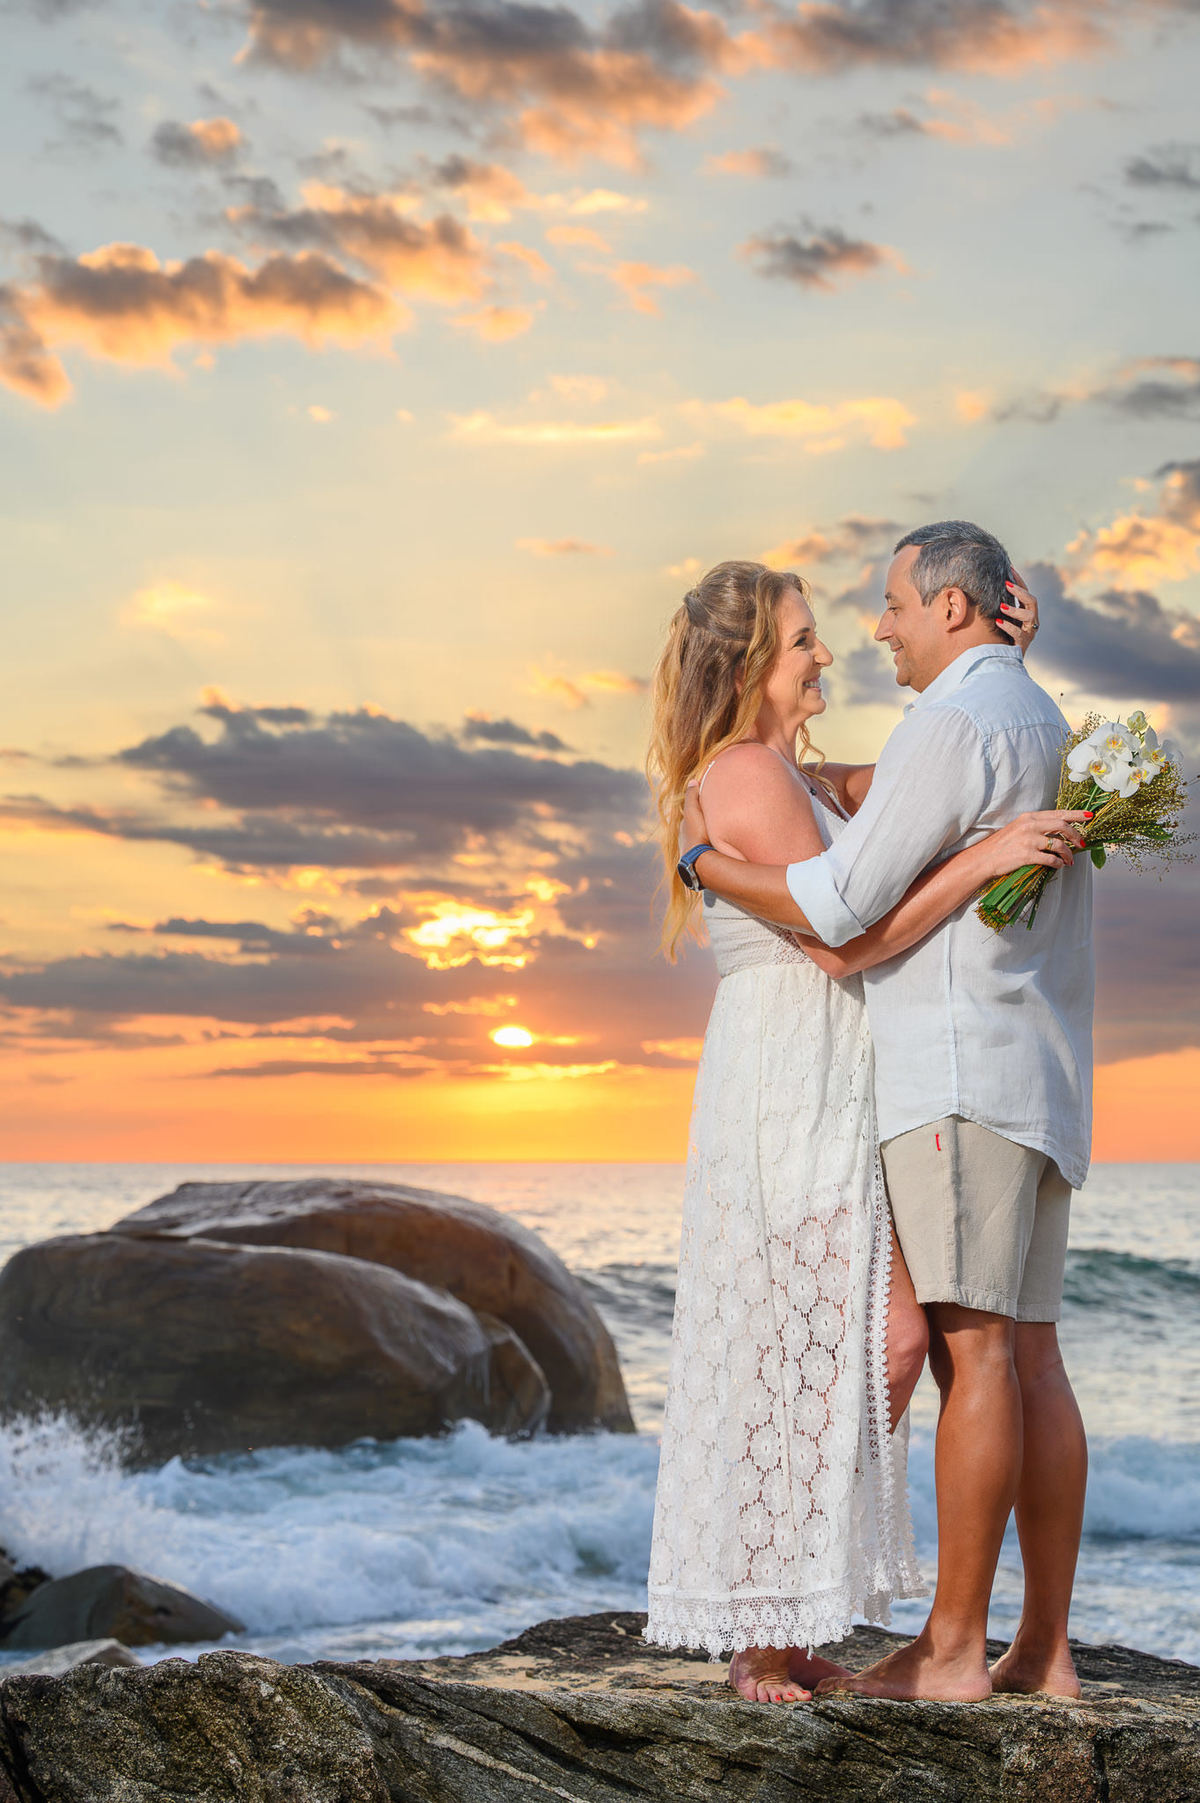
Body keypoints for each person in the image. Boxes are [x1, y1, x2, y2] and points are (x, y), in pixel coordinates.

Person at [644, 555, 1088, 1703]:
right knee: (846, 1342)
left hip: (843, 1070)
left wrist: (1000, 666)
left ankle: (792, 1615)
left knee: (867, 1341)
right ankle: (762, 1634)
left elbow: (943, 768)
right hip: (788, 1077)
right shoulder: (743, 772)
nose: (830, 650)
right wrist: (984, 860)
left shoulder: (795, 771)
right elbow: (845, 939)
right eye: (802, 640)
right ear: (753, 664)